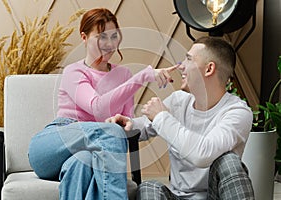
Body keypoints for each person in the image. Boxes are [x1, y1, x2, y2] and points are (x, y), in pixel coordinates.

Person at [28, 8, 178, 200]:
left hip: (89, 154)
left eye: (114, 36)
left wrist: (126, 125)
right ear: (84, 37)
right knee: (108, 134)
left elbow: (125, 126)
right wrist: (143, 76)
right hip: (54, 145)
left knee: (82, 163)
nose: (109, 44)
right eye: (101, 37)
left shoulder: (123, 75)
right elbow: (97, 107)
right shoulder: (74, 72)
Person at [107, 36, 255, 199]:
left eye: (188, 59)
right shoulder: (178, 101)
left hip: (215, 195)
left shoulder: (237, 112)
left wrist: (162, 117)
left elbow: (203, 153)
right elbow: (143, 127)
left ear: (208, 69)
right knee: (149, 188)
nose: (180, 66)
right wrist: (126, 123)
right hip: (177, 196)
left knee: (229, 162)